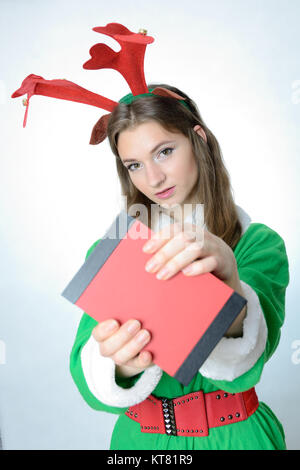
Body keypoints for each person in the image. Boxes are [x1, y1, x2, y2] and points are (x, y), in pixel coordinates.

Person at [69, 84, 289, 450]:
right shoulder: (112, 250)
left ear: (198, 139)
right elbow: (90, 384)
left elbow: (246, 366)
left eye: (165, 152)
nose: (152, 179)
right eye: (134, 165)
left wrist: (229, 279)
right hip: (140, 443)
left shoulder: (258, 243)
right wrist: (122, 364)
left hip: (237, 438)